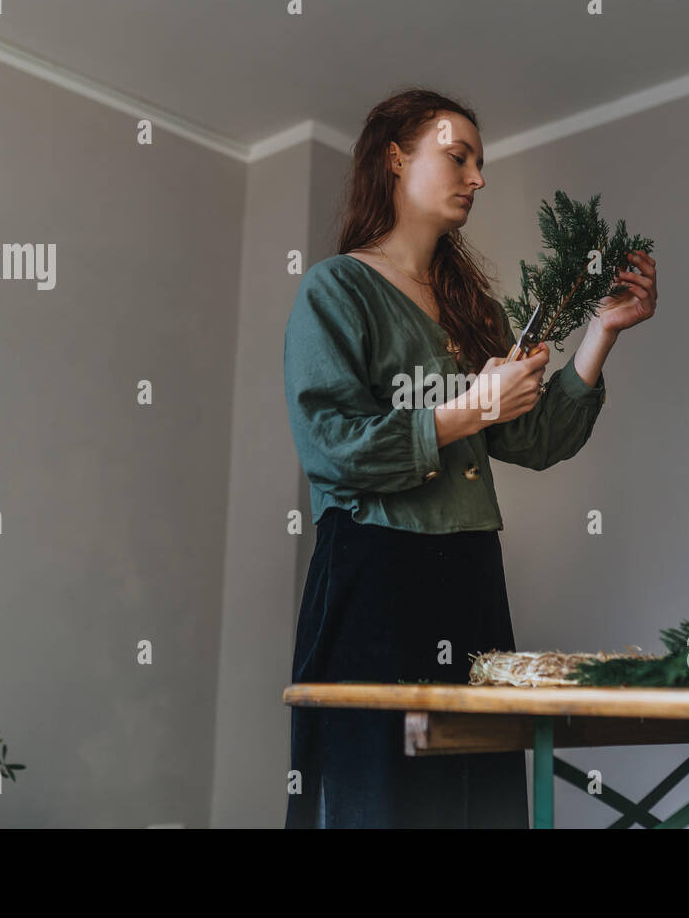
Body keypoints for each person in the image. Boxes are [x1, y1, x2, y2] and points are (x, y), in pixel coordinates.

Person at [282, 88, 657, 827]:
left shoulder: (470, 309)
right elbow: (333, 451)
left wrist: (602, 334)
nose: (477, 178)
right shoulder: (336, 289)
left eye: (480, 164)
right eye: (459, 156)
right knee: (377, 793)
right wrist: (469, 409)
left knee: (477, 791)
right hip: (374, 573)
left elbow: (532, 439)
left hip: (473, 574)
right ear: (396, 158)